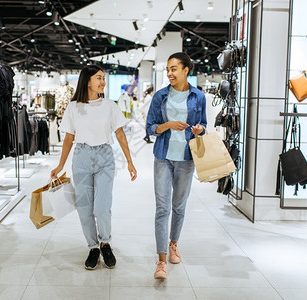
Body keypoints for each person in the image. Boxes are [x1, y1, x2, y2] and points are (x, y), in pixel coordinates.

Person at [51, 65, 137, 270]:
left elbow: (120, 135)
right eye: (98, 78)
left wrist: (130, 161)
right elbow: (68, 139)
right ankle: (93, 247)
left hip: (104, 158)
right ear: (87, 81)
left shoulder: (110, 106)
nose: (102, 82)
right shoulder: (73, 107)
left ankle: (105, 243)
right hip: (81, 158)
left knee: (102, 206)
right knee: (84, 208)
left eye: (103, 78)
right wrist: (60, 165)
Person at [146, 52, 207, 279]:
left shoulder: (198, 96)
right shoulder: (160, 96)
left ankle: (173, 244)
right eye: (168, 70)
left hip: (186, 158)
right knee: (162, 208)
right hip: (163, 156)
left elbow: (204, 125)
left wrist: (199, 129)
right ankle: (161, 260)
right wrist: (168, 125)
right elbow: (150, 127)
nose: (170, 73)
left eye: (174, 69)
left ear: (185, 71)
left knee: (179, 207)